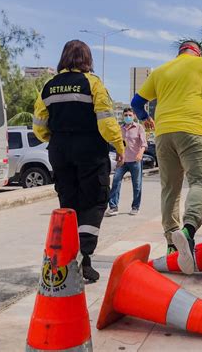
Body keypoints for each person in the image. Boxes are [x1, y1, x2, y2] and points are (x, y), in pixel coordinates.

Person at [131, 40, 202, 274]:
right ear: (197, 52)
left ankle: (173, 247)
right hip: (193, 131)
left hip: (164, 135)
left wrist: (144, 117)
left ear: (179, 53)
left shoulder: (161, 71)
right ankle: (188, 232)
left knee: (170, 189)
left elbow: (136, 103)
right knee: (200, 182)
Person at [33, 40, 125, 282]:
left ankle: (74, 260)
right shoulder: (92, 83)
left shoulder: (49, 86)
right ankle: (84, 254)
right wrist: (119, 145)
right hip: (90, 150)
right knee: (95, 201)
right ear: (87, 59)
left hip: (60, 150)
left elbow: (39, 126)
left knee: (69, 204)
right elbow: (106, 121)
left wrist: (55, 139)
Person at [105, 108, 147, 217]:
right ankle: (113, 207)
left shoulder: (139, 128)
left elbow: (143, 144)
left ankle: (135, 207)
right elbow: (119, 145)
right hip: (122, 161)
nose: (127, 117)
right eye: (125, 115)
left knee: (137, 185)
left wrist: (140, 154)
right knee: (115, 181)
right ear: (123, 116)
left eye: (129, 115)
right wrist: (118, 156)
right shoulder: (120, 129)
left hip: (135, 161)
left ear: (133, 116)